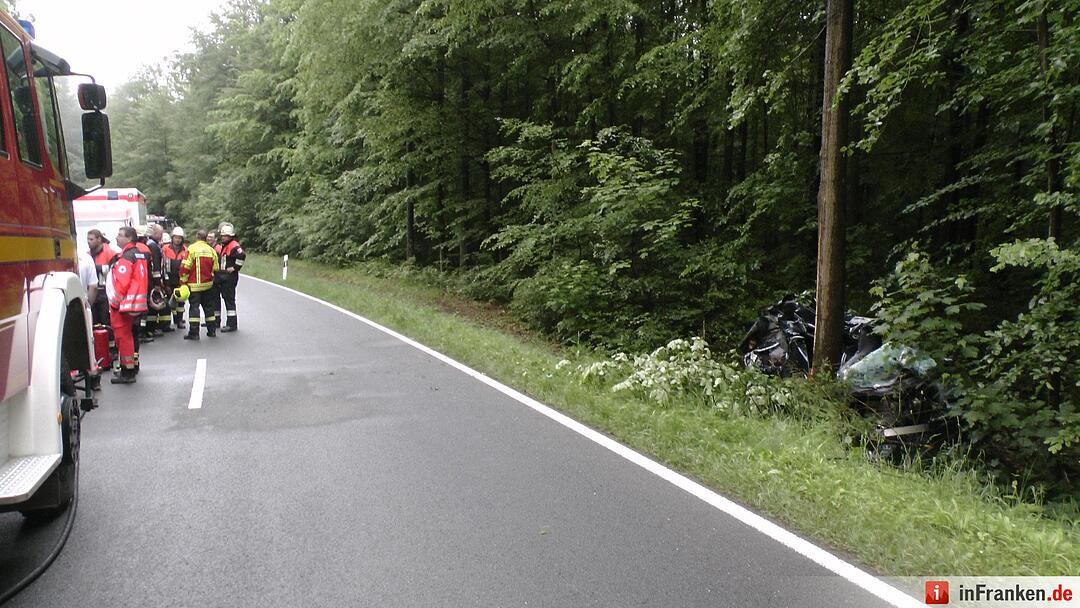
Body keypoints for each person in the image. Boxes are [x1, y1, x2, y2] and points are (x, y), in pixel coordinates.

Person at [106, 226, 149, 384]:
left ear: (129, 238)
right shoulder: (138, 254)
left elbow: (122, 283)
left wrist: (114, 301)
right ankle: (129, 367)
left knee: (122, 337)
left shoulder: (126, 257)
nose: (116, 238)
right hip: (135, 303)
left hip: (124, 304)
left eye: (120, 235)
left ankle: (127, 372)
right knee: (128, 336)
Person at [179, 229, 219, 340]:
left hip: (194, 285)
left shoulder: (191, 249)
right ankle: (212, 331)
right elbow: (216, 268)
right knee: (209, 309)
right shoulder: (211, 250)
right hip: (208, 285)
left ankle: (194, 333)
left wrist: (183, 281)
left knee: (194, 309)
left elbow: (185, 267)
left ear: (197, 236)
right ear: (206, 238)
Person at [77, 250, 102, 391]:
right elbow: (93, 285)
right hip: (82, 304)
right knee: (88, 343)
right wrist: (89, 305)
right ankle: (93, 379)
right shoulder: (86, 258)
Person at [216, 222, 246, 332]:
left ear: (230, 236)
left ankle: (231, 324)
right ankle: (226, 323)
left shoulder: (234, 245)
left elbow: (242, 255)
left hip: (229, 278)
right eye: (222, 236)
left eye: (225, 236)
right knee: (226, 298)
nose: (223, 238)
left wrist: (235, 268)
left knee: (229, 300)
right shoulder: (226, 245)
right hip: (224, 277)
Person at [86, 229, 116, 327]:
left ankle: (110, 341)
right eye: (88, 239)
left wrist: (98, 268)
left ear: (99, 239)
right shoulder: (87, 255)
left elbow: (114, 271)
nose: (88, 242)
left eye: (91, 239)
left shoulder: (110, 253)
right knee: (93, 322)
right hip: (92, 292)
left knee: (106, 322)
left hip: (105, 293)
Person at [162, 227, 188, 330]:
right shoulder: (165, 249)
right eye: (176, 238)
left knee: (180, 301)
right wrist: (165, 281)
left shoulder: (186, 250)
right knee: (168, 301)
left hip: (180, 279)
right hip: (168, 278)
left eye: (179, 238)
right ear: (172, 238)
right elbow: (162, 265)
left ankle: (179, 320)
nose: (177, 240)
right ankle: (167, 323)